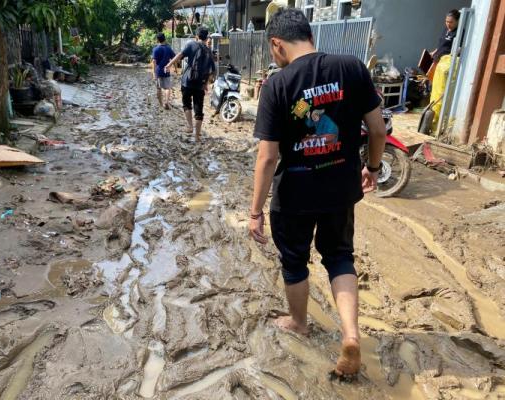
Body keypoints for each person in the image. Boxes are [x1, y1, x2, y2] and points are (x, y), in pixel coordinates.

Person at [248, 8, 386, 380]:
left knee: (294, 262)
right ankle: (351, 335)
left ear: (276, 44)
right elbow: (377, 130)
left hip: (294, 194)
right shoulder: (352, 67)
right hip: (340, 187)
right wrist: (372, 169)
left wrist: (255, 211)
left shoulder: (277, 86)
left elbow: (267, 156)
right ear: (309, 35)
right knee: (340, 256)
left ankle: (298, 322)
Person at [165, 27, 216, 141]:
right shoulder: (209, 51)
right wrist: (206, 84)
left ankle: (189, 126)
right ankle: (197, 136)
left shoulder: (191, 45)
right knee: (199, 110)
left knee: (187, 104)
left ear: (197, 36)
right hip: (200, 85)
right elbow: (212, 71)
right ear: (206, 37)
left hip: (187, 82)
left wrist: (169, 64)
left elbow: (179, 55)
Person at [428, 9, 460, 80]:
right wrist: (434, 52)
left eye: (451, 22)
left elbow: (458, 52)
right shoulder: (446, 29)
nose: (448, 24)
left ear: (457, 21)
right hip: (436, 60)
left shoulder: (459, 33)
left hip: (444, 65)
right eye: (446, 21)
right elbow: (441, 44)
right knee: (430, 80)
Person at [151, 33, 176, 110]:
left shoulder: (155, 49)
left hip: (158, 71)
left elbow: (154, 62)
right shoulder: (169, 48)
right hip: (167, 70)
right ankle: (166, 102)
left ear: (157, 40)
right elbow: (174, 59)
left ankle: (161, 104)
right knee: (167, 88)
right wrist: (176, 68)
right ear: (164, 39)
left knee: (159, 88)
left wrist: (154, 73)